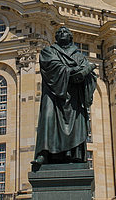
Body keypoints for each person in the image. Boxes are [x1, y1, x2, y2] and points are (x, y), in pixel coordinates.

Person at [33, 26, 97, 165]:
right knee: (48, 117)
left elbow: (89, 75)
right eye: (59, 32)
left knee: (75, 124)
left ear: (70, 37)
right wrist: (73, 71)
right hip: (53, 94)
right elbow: (51, 66)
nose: (62, 34)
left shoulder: (79, 56)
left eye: (65, 32)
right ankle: (44, 153)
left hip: (73, 96)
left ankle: (73, 154)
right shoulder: (48, 51)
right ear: (55, 37)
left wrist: (85, 74)